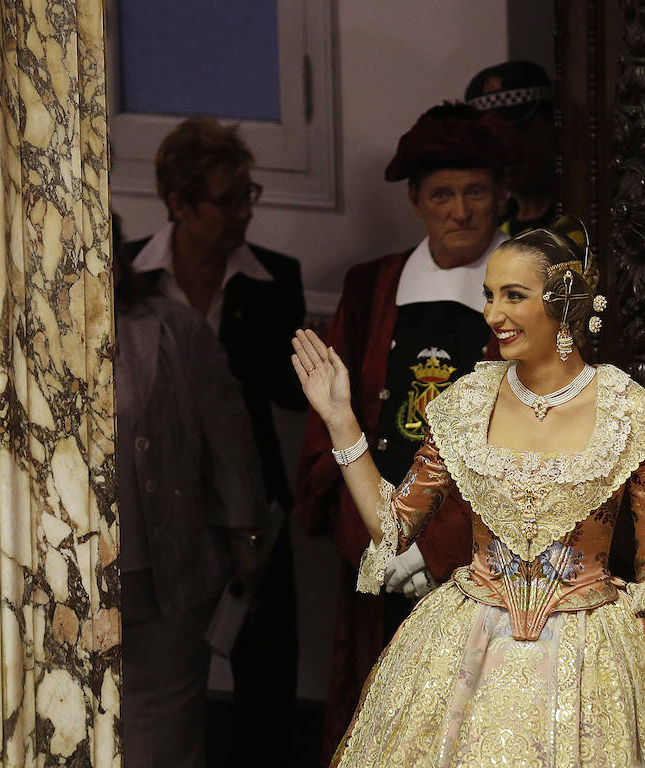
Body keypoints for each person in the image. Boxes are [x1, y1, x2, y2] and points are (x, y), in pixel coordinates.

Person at [291, 219, 645, 767]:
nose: (493, 314)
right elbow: (392, 525)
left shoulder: (629, 413)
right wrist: (339, 419)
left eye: (513, 296)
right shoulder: (466, 402)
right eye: (490, 296)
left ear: (564, 303)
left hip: (590, 661)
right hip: (464, 648)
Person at [294, 102, 519, 763]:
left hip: (490, 569)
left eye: (476, 191)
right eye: (443, 194)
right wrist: (375, 542)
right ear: (416, 200)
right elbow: (327, 425)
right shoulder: (371, 288)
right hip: (379, 561)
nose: (461, 211)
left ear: (500, 195)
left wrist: (435, 550)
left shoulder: (531, 290)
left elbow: (533, 442)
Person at [126, 117, 305, 766]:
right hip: (158, 507)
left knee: (266, 670)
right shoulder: (132, 280)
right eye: (226, 200)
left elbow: (288, 395)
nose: (242, 215)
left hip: (253, 499)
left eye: (247, 196)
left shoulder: (273, 278)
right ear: (178, 202)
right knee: (164, 682)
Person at [113, 213, 270, 768]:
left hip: (167, 572)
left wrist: (246, 534)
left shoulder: (176, 327)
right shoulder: (11, 330)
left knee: (164, 734)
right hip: (55, 577)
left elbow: (228, 440)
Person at [465, 60, 557, 236]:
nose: (502, 147)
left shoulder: (582, 220)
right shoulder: (483, 228)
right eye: (489, 137)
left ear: (551, 125)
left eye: (515, 131)